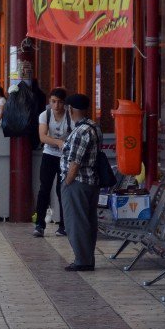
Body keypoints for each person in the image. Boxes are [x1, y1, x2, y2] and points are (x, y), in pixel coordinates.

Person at [59, 93, 100, 271]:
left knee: (76, 221)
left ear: (70, 110)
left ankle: (82, 260)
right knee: (87, 221)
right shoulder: (94, 127)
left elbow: (75, 162)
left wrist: (67, 182)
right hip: (90, 181)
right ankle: (86, 258)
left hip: (78, 182)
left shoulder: (81, 131)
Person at [34, 88, 71, 238]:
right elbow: (42, 137)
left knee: (62, 190)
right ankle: (39, 224)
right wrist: (58, 142)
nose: (56, 106)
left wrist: (59, 143)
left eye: (60, 102)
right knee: (44, 189)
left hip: (64, 157)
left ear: (65, 103)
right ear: (49, 102)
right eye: (53, 101)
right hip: (49, 155)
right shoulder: (45, 115)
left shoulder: (70, 116)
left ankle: (63, 225)